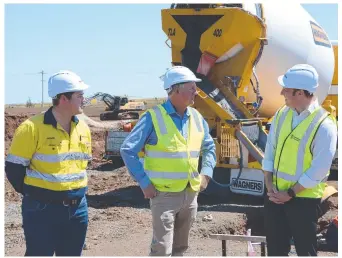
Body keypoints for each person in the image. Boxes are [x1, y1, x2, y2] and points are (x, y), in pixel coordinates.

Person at [120, 66, 216, 256]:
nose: (195, 92)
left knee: (181, 248)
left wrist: (206, 174)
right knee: (162, 250)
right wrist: (144, 182)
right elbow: (127, 150)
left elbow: (209, 148)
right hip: (163, 196)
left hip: (190, 194)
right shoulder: (153, 118)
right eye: (191, 88)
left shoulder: (196, 117)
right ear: (177, 89)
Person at [5, 70, 92, 256]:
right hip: (42, 209)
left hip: (78, 209)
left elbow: (82, 166)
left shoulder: (83, 128)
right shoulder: (31, 128)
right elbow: (13, 168)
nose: (84, 99)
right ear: (63, 98)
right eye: (79, 95)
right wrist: (36, 194)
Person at [262, 64, 337, 256]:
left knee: (305, 251)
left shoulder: (324, 125)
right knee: (276, 251)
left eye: (286, 89)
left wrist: (291, 193)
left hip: (303, 200)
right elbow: (270, 149)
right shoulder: (281, 114)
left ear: (300, 93)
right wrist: (269, 184)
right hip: (275, 195)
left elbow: (319, 169)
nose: (281, 92)